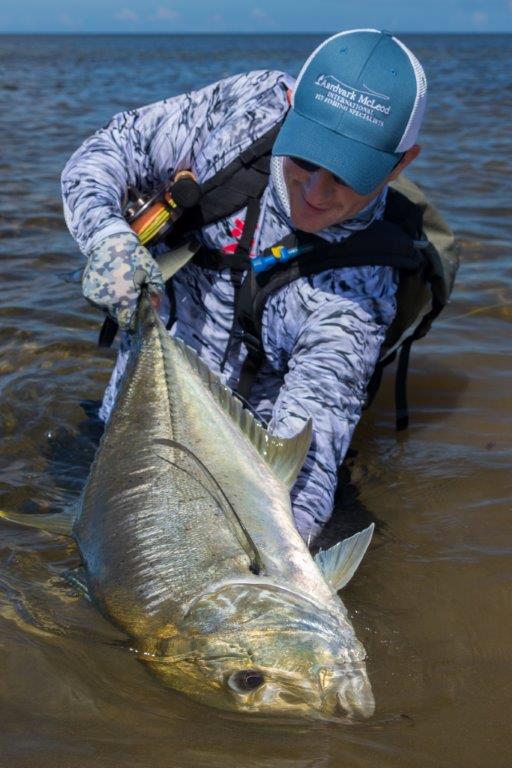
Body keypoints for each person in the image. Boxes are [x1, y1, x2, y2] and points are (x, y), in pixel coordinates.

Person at [61, 29, 432, 544]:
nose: (316, 193)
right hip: (135, 414)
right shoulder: (246, 111)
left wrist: (271, 557)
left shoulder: (359, 292)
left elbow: (307, 450)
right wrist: (106, 239)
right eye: (306, 158)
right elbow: (107, 151)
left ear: (401, 164)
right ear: (288, 106)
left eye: (349, 175)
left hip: (243, 460)